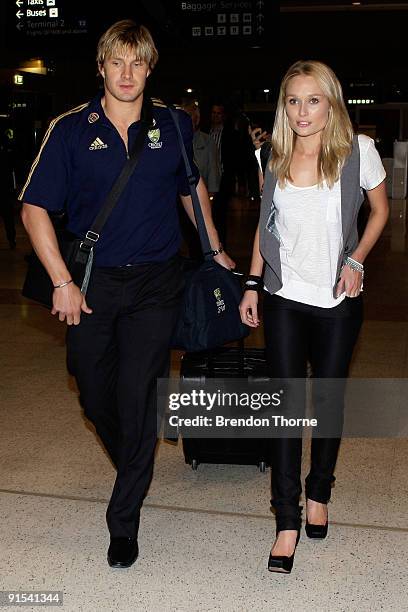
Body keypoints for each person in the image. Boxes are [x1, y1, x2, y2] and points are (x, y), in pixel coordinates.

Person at [19, 19, 234, 569]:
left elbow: (191, 188)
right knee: (93, 391)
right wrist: (62, 283)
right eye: (117, 62)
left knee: (138, 393)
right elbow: (34, 208)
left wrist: (212, 248)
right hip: (90, 283)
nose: (127, 73)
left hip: (156, 283)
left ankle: (124, 520)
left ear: (150, 67)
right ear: (101, 67)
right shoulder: (70, 129)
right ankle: (135, 459)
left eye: (138, 63)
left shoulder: (173, 124)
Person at [239, 60, 388, 574]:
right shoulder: (271, 155)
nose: (303, 111)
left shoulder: (358, 152)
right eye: (294, 101)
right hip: (284, 295)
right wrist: (253, 284)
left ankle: (319, 489)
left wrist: (356, 260)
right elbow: (265, 226)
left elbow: (381, 211)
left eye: (313, 100)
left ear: (332, 102)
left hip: (337, 301)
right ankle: (285, 519)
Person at [209, 103, 238, 247]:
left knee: (220, 215)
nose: (216, 116)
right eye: (213, 113)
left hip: (223, 180)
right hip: (207, 179)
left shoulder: (229, 134)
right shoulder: (206, 132)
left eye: (218, 113)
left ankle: (221, 245)